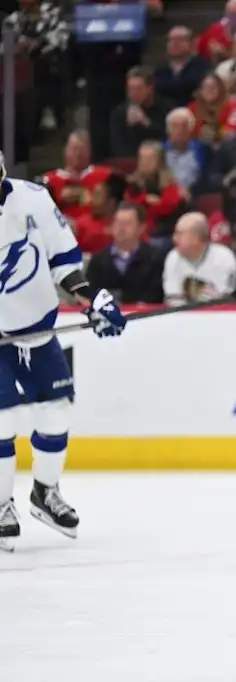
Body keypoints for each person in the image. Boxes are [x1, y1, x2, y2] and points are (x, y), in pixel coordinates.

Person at [0, 155, 128, 551]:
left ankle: (45, 492)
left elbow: (63, 262)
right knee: (2, 421)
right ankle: (2, 504)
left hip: (38, 330)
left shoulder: (35, 198)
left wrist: (92, 300)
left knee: (57, 413)